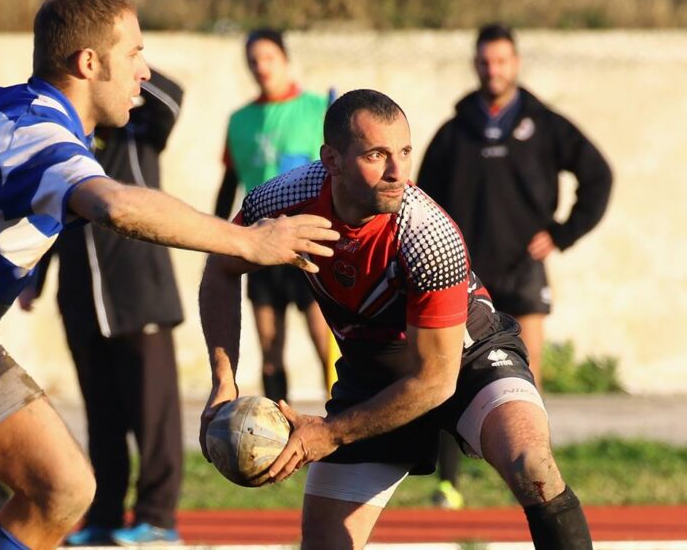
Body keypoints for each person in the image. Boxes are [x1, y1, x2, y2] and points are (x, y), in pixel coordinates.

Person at [0, 0, 337, 550]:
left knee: (64, 489)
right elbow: (116, 205)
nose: (145, 72)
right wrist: (248, 242)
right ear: (88, 62)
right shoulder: (42, 138)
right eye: (135, 54)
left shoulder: (10, 111)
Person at [199, 89, 593, 550]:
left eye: (404, 152)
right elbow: (222, 265)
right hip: (374, 371)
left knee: (534, 468)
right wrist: (223, 381)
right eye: (376, 154)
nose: (397, 172)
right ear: (332, 159)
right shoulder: (285, 200)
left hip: (467, 357)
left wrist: (329, 434)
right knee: (325, 544)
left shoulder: (428, 235)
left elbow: (435, 382)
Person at [417, 23, 613, 508]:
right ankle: (449, 482)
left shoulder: (544, 124)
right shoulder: (453, 132)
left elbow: (598, 176)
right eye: (485, 61)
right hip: (462, 274)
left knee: (529, 373)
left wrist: (563, 234)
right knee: (446, 373)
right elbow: (418, 200)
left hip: (523, 269)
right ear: (476, 65)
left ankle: (536, 483)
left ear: (516, 63)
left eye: (501, 61)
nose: (493, 69)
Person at [19, 68, 186, 545]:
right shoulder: (63, 141)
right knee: (102, 416)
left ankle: (157, 518)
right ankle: (105, 516)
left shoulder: (141, 130)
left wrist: (118, 64)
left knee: (154, 415)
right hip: (81, 300)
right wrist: (37, 278)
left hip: (140, 294)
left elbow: (171, 97)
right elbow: (47, 209)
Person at [215, 28, 332, 402]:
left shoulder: (318, 108)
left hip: (309, 240)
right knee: (269, 348)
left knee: (324, 340)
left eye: (268, 58)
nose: (261, 67)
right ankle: (277, 434)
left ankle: (343, 431)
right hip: (259, 242)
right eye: (253, 61)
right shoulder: (239, 120)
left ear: (284, 59)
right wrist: (217, 237)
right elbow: (229, 182)